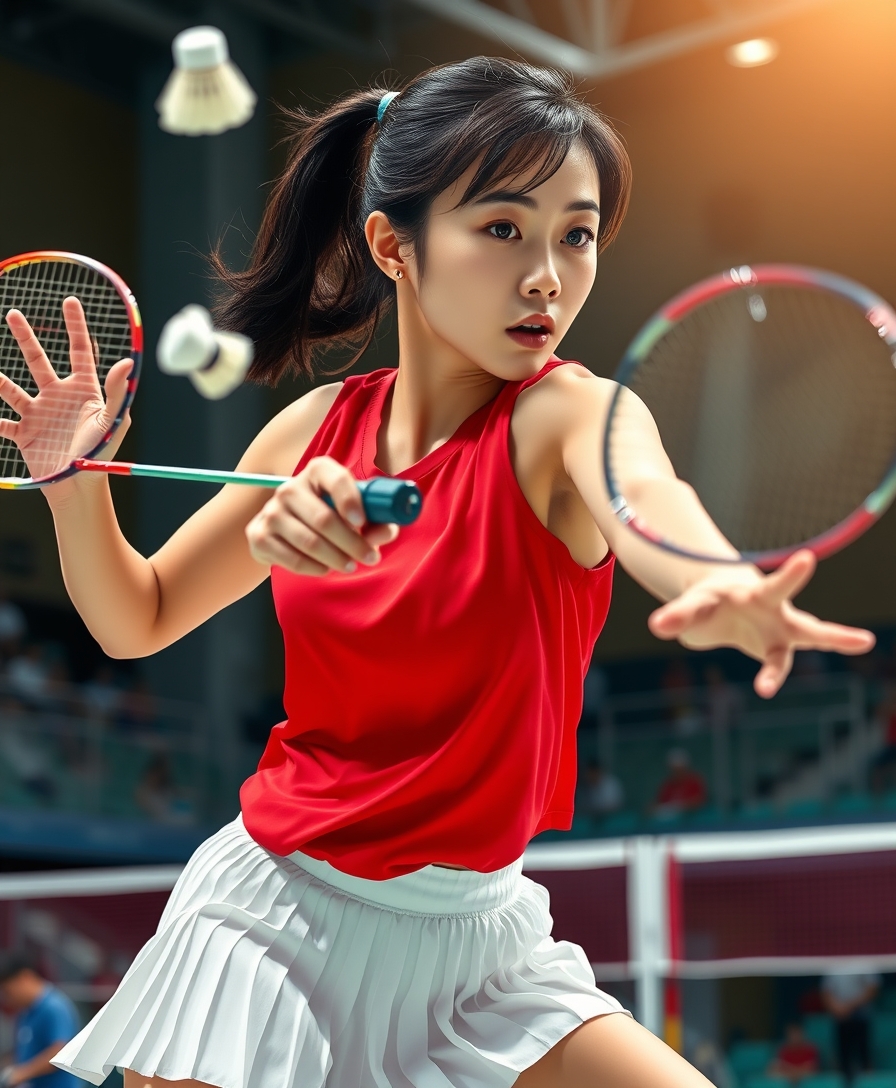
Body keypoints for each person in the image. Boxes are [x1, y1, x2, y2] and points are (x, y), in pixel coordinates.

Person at [0, 56, 874, 1088]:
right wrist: (69, 481)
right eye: (503, 227)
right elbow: (134, 617)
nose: (547, 271)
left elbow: (648, 500)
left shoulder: (568, 415)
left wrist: (714, 577)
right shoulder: (311, 430)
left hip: (480, 945)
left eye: (577, 232)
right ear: (393, 244)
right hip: (273, 917)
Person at [0, 950, 83, 1087]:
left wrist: (20, 1074)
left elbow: (60, 1052)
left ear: (24, 977)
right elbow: (25, 1053)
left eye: (7, 991)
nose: (6, 998)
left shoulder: (54, 1007)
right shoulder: (25, 1011)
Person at [821, 969, 881, 1080]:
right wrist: (837, 1007)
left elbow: (872, 988)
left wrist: (849, 1006)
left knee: (864, 1057)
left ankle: (867, 1083)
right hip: (840, 1017)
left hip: (861, 1016)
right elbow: (826, 991)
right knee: (842, 1059)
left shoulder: (865, 962)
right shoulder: (833, 965)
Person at [655, 748, 708, 816]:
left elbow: (699, 802)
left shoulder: (694, 781)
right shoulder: (667, 785)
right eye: (675, 770)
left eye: (680, 769)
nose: (678, 773)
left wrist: (678, 807)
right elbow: (660, 803)